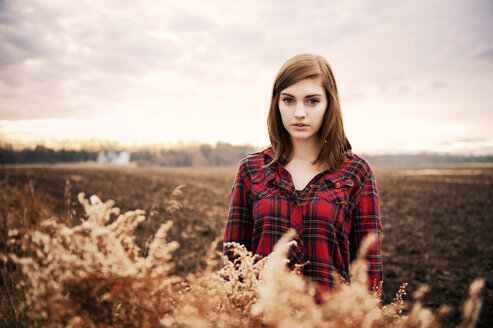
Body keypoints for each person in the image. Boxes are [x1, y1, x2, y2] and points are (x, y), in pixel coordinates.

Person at [222, 53, 382, 302]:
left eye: (312, 101)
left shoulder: (356, 173)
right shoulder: (251, 170)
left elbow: (369, 270)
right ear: (277, 104)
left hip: (328, 319)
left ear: (329, 103)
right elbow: (231, 264)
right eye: (288, 100)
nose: (299, 112)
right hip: (262, 318)